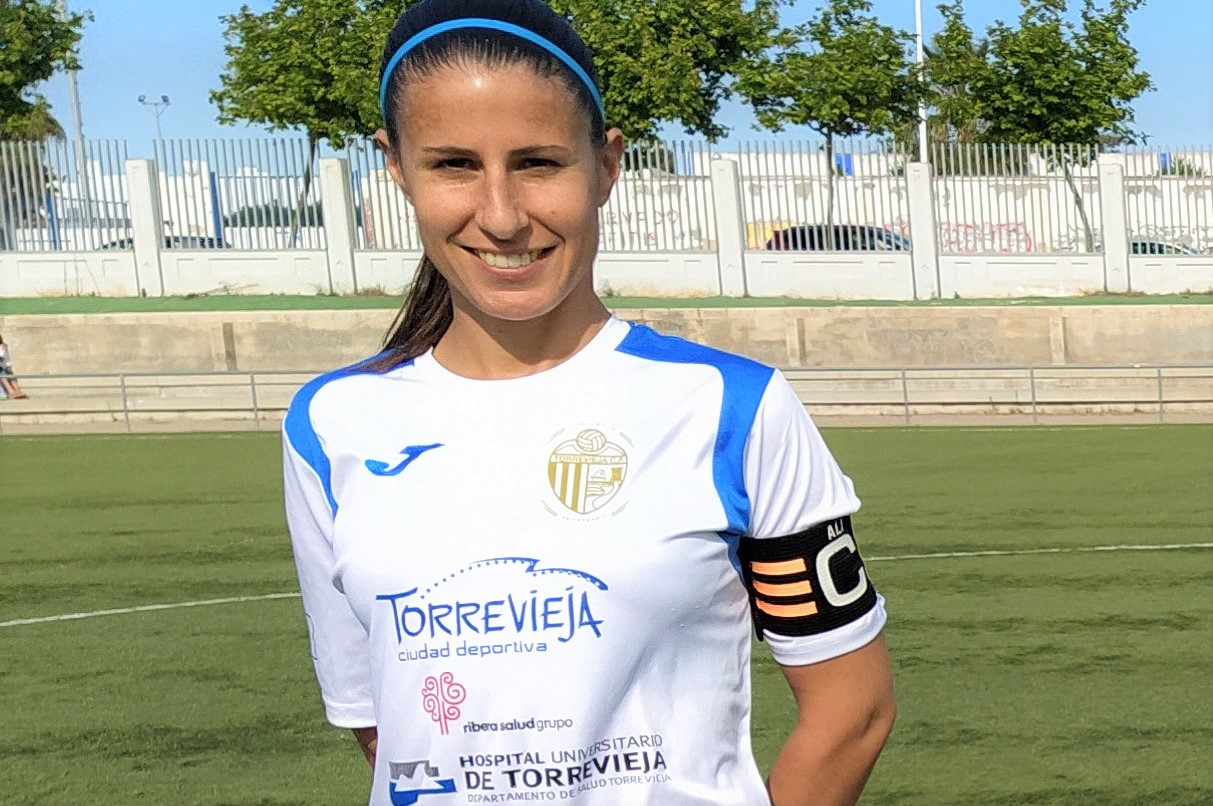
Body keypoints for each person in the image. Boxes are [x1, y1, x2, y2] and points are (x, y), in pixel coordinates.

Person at [281, 2, 895, 804]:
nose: (501, 216)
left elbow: (852, 710)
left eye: (538, 163)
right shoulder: (330, 423)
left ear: (605, 165)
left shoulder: (731, 407)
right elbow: (387, 731)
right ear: (395, 167)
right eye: (453, 165)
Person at [0, 334, 29, 399]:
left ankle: (16, 391)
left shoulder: (2, 346)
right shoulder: (3, 346)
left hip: (5, 366)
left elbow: (1, 357)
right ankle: (13, 391)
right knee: (4, 374)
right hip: (3, 367)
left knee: (6, 373)